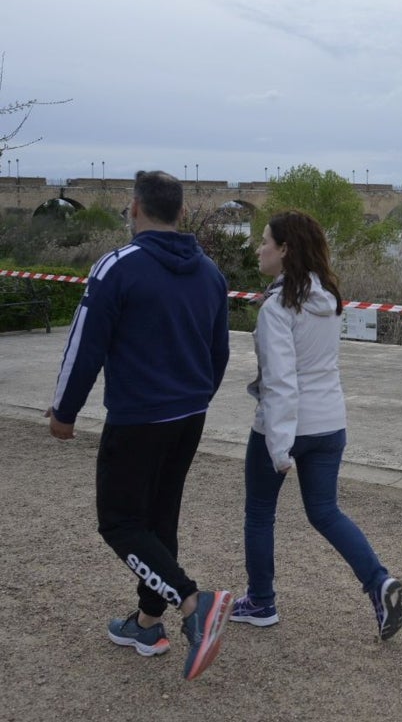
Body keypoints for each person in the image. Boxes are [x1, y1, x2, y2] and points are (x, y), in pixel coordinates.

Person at [46, 170, 233, 681]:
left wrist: (65, 411)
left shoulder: (116, 266)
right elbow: (220, 352)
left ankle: (195, 602)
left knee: (120, 522)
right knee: (158, 520)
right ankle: (148, 622)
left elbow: (86, 345)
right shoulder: (210, 273)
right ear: (179, 212)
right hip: (189, 415)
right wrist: (196, 396)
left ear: (135, 208)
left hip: (139, 417)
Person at [232, 210, 402, 640]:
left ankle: (260, 602)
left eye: (265, 241)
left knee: (259, 514)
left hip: (286, 426)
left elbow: (280, 381)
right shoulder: (328, 299)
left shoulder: (277, 308)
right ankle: (378, 582)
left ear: (285, 250)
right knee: (326, 512)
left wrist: (278, 445)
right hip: (330, 423)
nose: (259, 248)